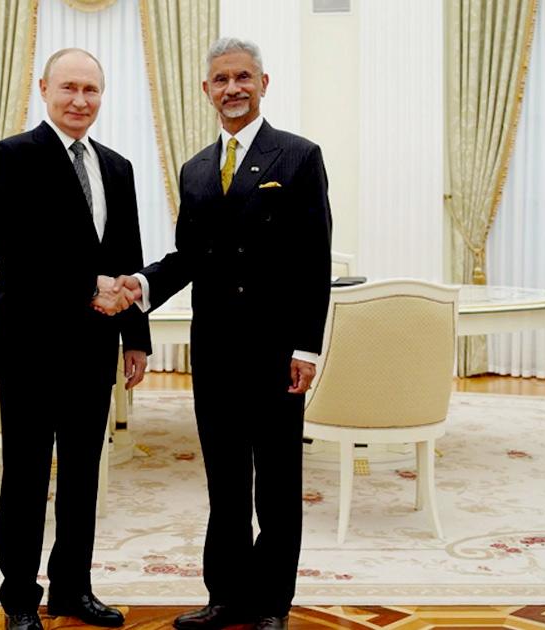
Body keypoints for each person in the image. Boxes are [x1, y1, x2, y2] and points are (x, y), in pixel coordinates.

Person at [114, 38, 332, 630]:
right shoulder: (195, 170)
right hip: (214, 351)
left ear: (264, 83)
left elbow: (314, 260)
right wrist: (140, 284)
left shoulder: (299, 156)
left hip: (276, 352)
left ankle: (271, 604)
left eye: (243, 77)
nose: (232, 88)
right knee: (225, 481)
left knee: (277, 484)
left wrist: (307, 347)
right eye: (221, 80)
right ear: (206, 89)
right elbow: (189, 257)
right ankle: (225, 597)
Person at [0, 48, 151, 630]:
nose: (80, 100)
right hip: (29, 347)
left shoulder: (118, 167)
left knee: (83, 477)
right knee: (26, 478)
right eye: (69, 88)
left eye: (91, 90)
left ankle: (73, 589)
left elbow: (128, 255)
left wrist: (136, 337)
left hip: (93, 348)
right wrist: (88, 285)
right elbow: (14, 250)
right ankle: (19, 600)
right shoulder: (11, 156)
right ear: (43, 88)